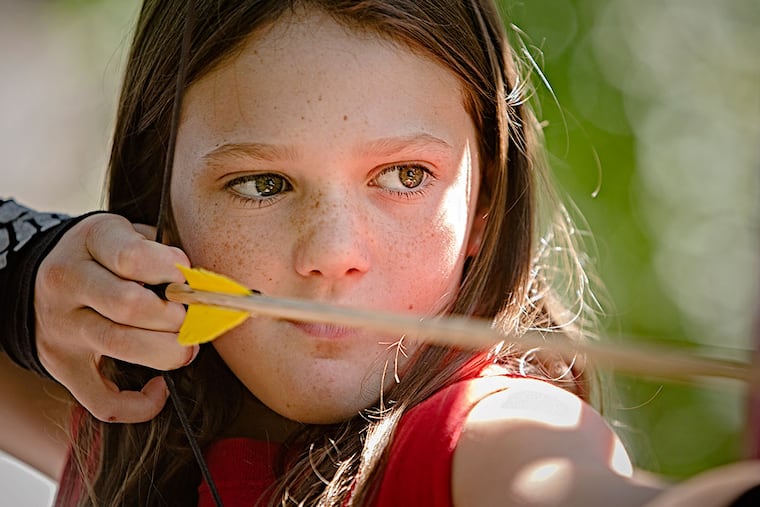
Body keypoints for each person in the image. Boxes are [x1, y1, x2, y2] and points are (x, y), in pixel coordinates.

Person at [1, 0, 758, 505]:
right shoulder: (121, 406)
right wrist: (25, 272)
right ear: (157, 197)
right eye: (262, 183)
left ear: (485, 203)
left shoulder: (487, 433)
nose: (332, 254)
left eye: (403, 176)